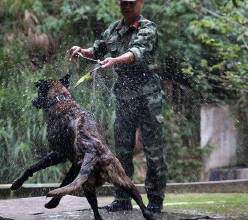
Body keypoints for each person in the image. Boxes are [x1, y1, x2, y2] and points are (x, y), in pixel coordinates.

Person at [70, 0, 168, 214]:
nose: (127, 6)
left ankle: (155, 200)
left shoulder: (147, 27)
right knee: (121, 151)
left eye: (131, 3)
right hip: (124, 96)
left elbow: (136, 52)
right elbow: (96, 50)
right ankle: (122, 198)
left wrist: (115, 60)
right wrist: (82, 51)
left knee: (154, 153)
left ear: (140, 3)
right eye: (123, 2)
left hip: (148, 96)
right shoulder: (113, 29)